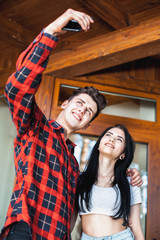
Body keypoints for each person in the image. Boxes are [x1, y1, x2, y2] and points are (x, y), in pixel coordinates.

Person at [0, 9, 142, 240]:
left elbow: (91, 192)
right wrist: (54, 30)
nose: (82, 110)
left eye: (89, 111)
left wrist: (127, 172)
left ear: (87, 125)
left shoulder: (73, 164)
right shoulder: (36, 128)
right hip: (27, 230)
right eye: (79, 103)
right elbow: (16, 89)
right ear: (65, 104)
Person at [76, 124, 144, 240]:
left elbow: (135, 226)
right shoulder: (80, 179)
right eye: (108, 135)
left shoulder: (130, 182)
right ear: (99, 145)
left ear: (123, 154)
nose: (112, 139)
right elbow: (70, 221)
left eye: (119, 139)